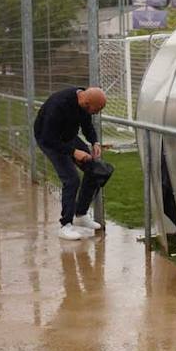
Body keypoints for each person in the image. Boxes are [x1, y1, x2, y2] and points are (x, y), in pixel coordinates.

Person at [33, 85, 107, 240]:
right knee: (71, 179)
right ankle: (65, 225)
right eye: (96, 110)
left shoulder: (84, 104)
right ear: (87, 103)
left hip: (68, 136)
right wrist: (74, 152)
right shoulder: (58, 104)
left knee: (95, 169)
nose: (97, 113)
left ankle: (80, 214)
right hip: (49, 139)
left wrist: (95, 142)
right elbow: (48, 137)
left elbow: (87, 126)